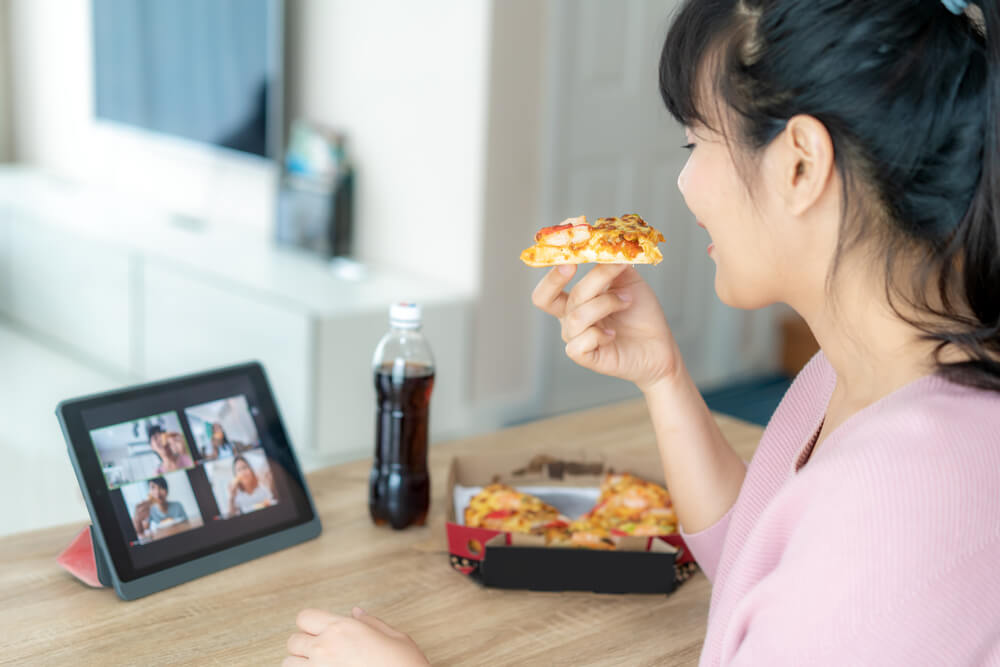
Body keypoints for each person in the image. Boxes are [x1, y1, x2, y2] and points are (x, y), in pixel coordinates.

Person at [284, 0, 1000, 664]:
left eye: (697, 140)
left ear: (802, 164)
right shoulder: (855, 372)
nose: (685, 185)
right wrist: (663, 376)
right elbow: (755, 564)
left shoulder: (896, 509)